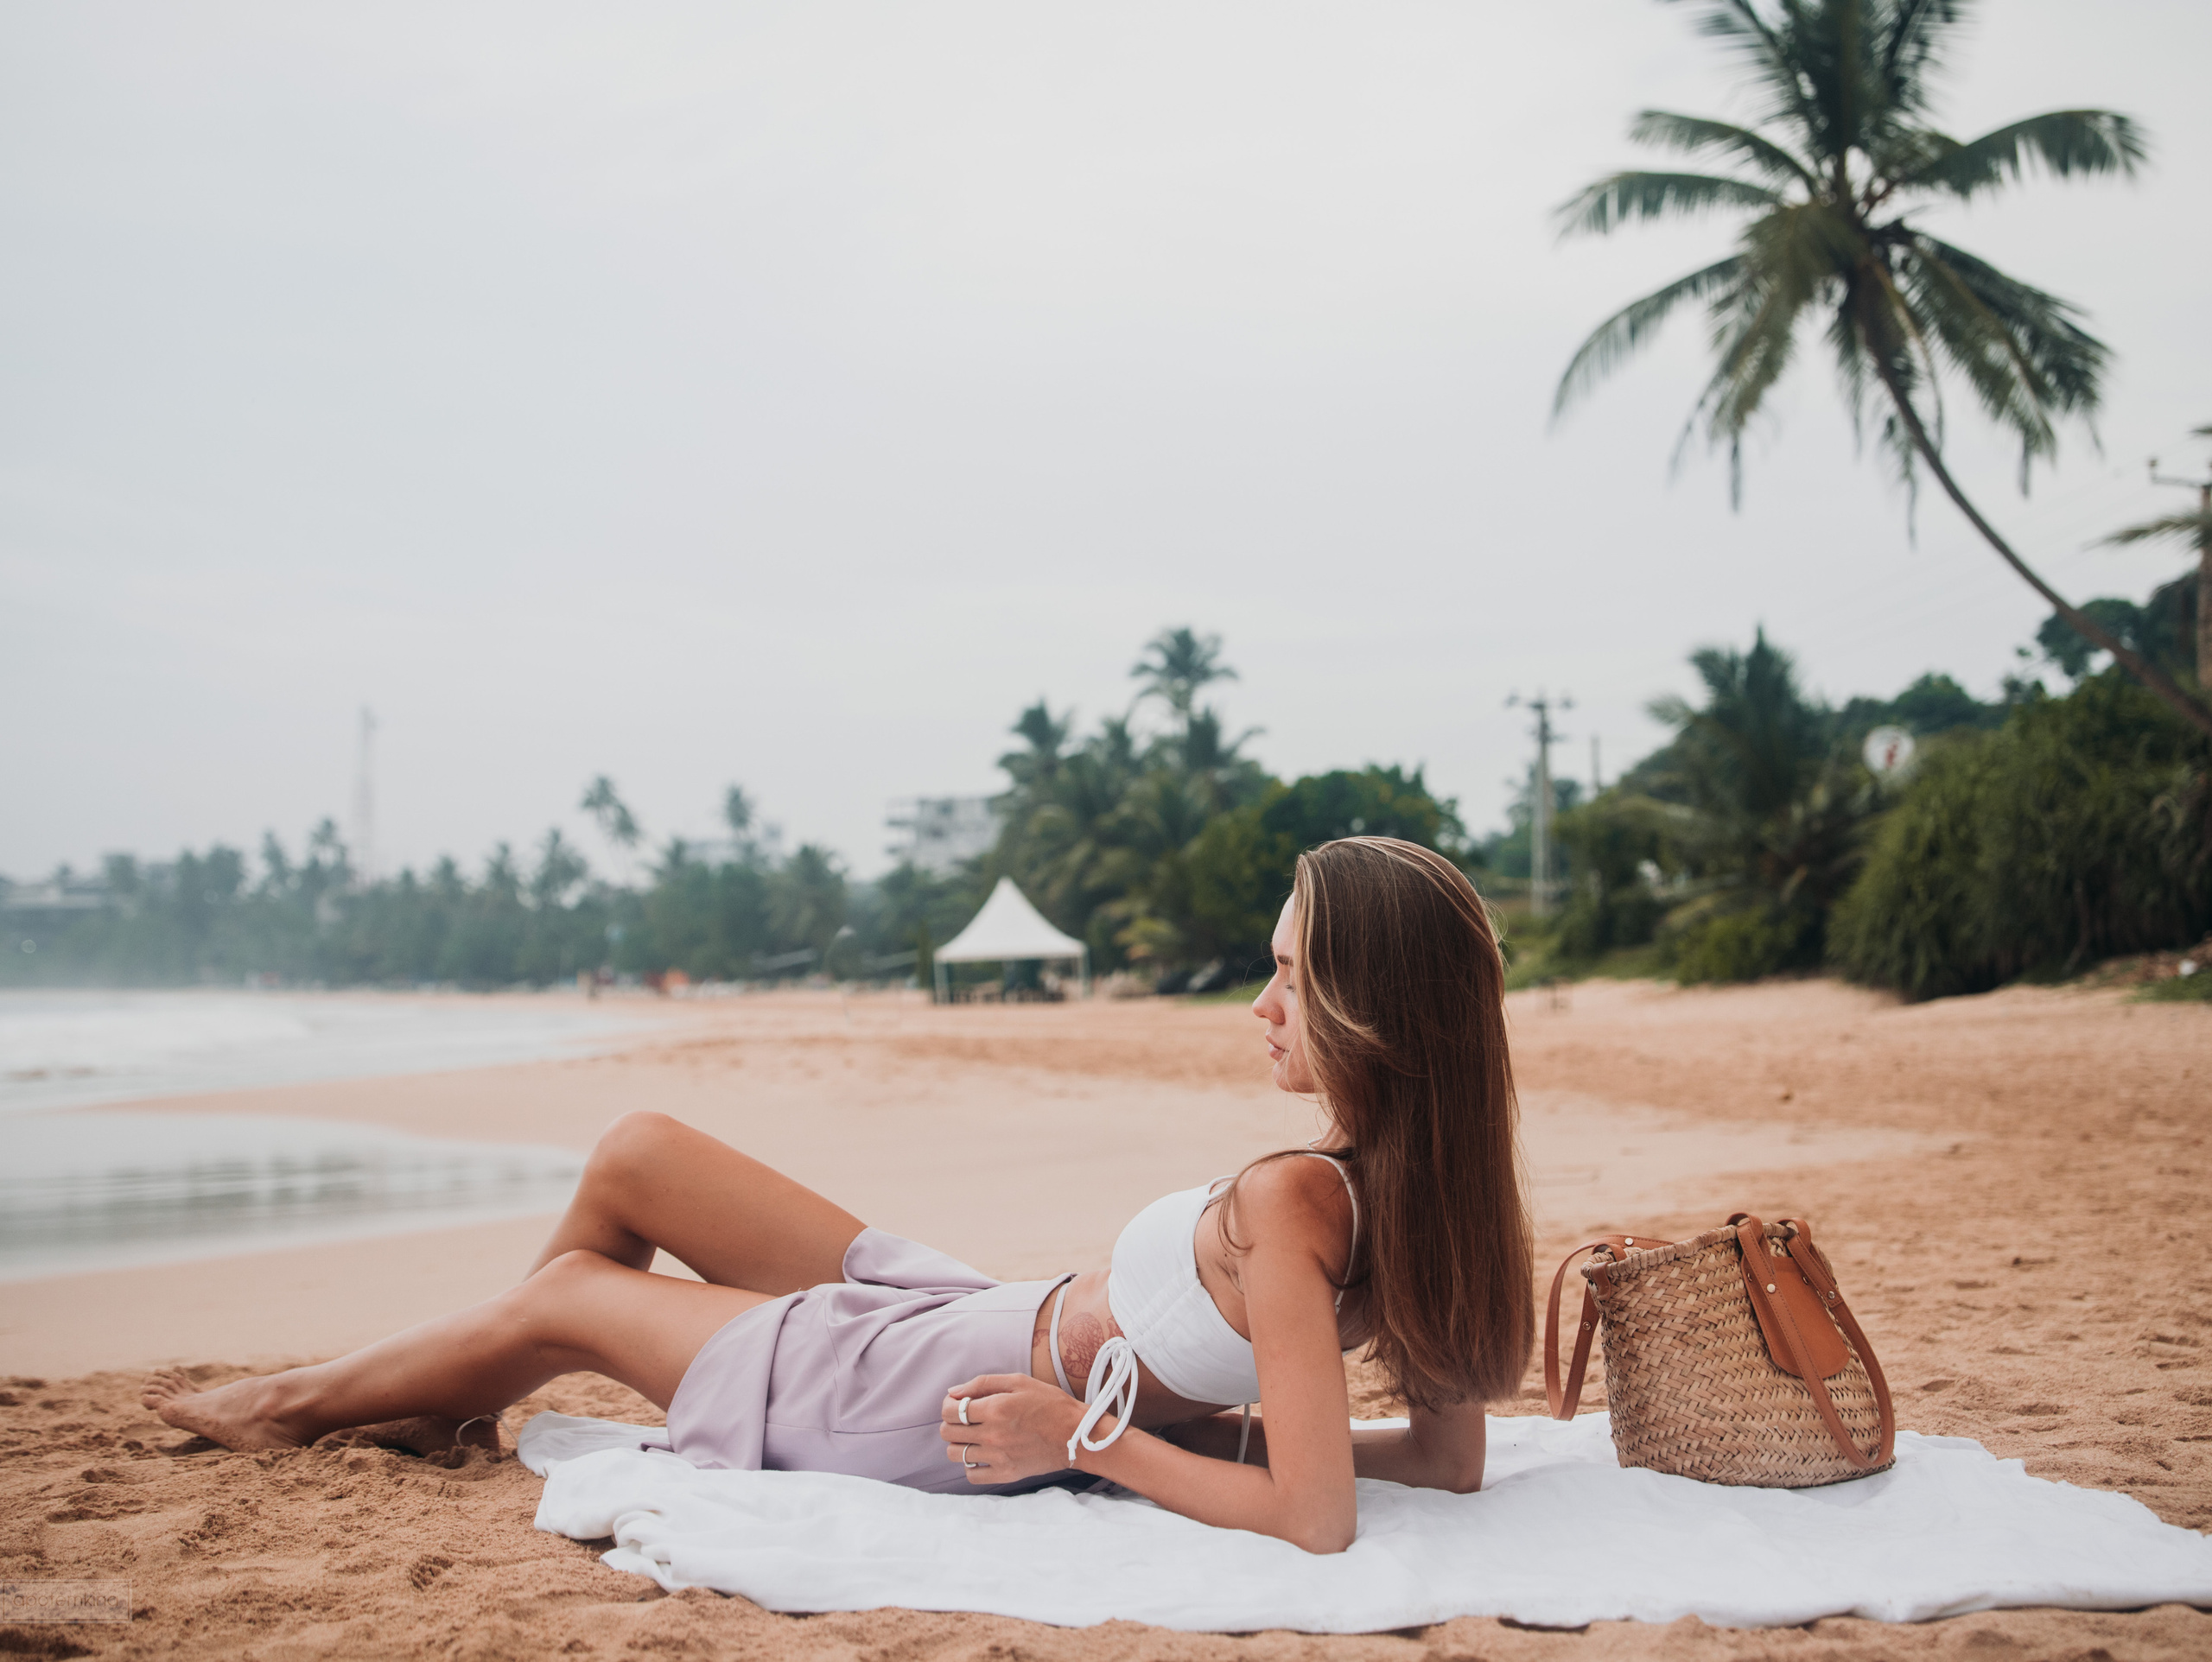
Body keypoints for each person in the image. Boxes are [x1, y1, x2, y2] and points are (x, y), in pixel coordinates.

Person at [143, 837, 1532, 1555]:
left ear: (1369, 1004)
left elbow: (1318, 1518)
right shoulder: (1435, 1202)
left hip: (935, 1394)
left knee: (573, 1294)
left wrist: (1083, 1442)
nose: (1259, 1002)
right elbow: (1442, 1462)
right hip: (978, 1311)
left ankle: (293, 1404)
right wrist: (1241, 1434)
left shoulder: (1296, 1200)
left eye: (1288, 973)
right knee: (639, 1151)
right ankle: (469, 1386)